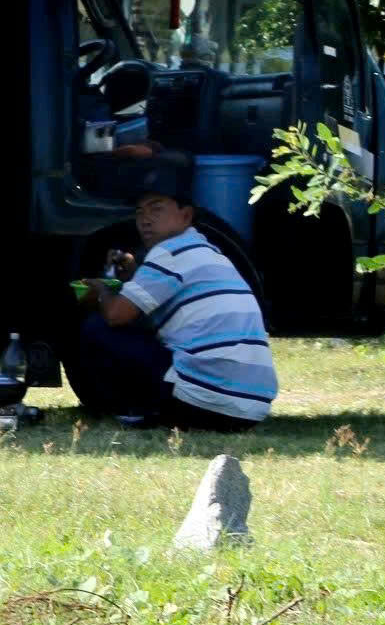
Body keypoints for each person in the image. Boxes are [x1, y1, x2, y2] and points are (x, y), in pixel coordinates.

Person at [73, 153, 277, 431]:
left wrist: (100, 290)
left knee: (97, 328)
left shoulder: (168, 253)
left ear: (186, 215)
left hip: (205, 402)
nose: (145, 220)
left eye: (156, 209)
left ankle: (131, 409)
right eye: (140, 212)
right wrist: (132, 276)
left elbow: (117, 315)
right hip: (248, 411)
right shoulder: (206, 251)